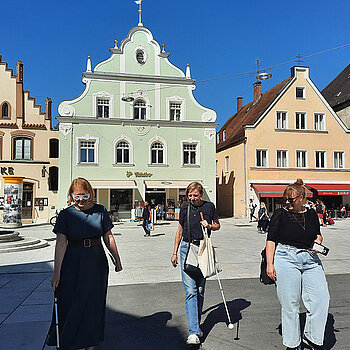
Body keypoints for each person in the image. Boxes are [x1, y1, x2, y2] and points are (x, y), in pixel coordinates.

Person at [47, 177, 122, 350]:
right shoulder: (66, 214)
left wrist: (117, 260)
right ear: (71, 195)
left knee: (93, 303)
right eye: (77, 196)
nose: (80, 200)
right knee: (70, 301)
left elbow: (108, 236)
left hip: (96, 262)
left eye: (84, 195)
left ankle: (88, 341)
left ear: (91, 194)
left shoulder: (100, 211)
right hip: (72, 261)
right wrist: (56, 272)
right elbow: (60, 243)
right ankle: (69, 340)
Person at [266, 179, 330, 350]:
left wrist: (318, 241)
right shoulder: (280, 214)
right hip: (286, 257)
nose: (287, 202)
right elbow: (271, 240)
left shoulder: (311, 214)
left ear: (302, 198)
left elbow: (318, 234)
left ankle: (312, 338)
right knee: (290, 303)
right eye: (285, 199)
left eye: (291, 199)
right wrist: (270, 264)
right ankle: (292, 344)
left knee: (321, 299)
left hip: (310, 258)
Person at [171, 182, 220, 345]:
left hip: (202, 249)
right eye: (189, 196)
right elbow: (179, 230)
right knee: (191, 291)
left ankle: (196, 326)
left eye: (195, 196)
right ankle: (193, 332)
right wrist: (174, 252)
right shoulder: (185, 209)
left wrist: (209, 225)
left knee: (199, 291)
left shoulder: (209, 207)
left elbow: (218, 225)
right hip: (186, 248)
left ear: (201, 195)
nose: (192, 199)